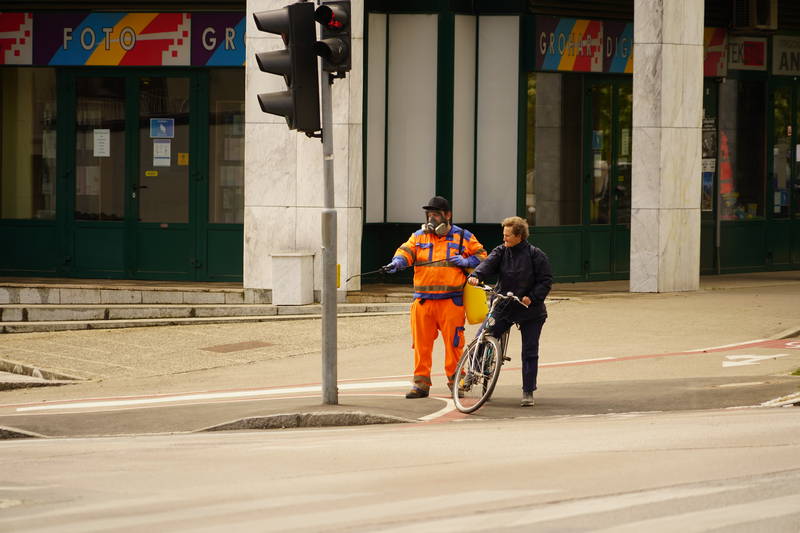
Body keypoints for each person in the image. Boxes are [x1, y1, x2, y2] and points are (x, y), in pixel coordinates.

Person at [381, 196, 487, 399]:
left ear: (448, 215)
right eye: (429, 214)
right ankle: (421, 385)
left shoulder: (463, 237)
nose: (431, 218)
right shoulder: (419, 237)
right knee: (421, 346)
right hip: (423, 302)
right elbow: (405, 252)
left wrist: (467, 261)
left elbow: (484, 257)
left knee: (454, 345)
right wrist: (397, 262)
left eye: (436, 214)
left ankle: (455, 382)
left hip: (451, 301)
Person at [467, 216, 552, 407]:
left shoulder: (536, 255)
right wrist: (476, 275)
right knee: (481, 337)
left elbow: (546, 281)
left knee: (529, 350)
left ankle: (528, 390)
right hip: (504, 305)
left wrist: (532, 297)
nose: (504, 238)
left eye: (507, 235)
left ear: (519, 236)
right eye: (503, 235)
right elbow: (487, 265)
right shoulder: (501, 251)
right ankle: (473, 372)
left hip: (530, 309)